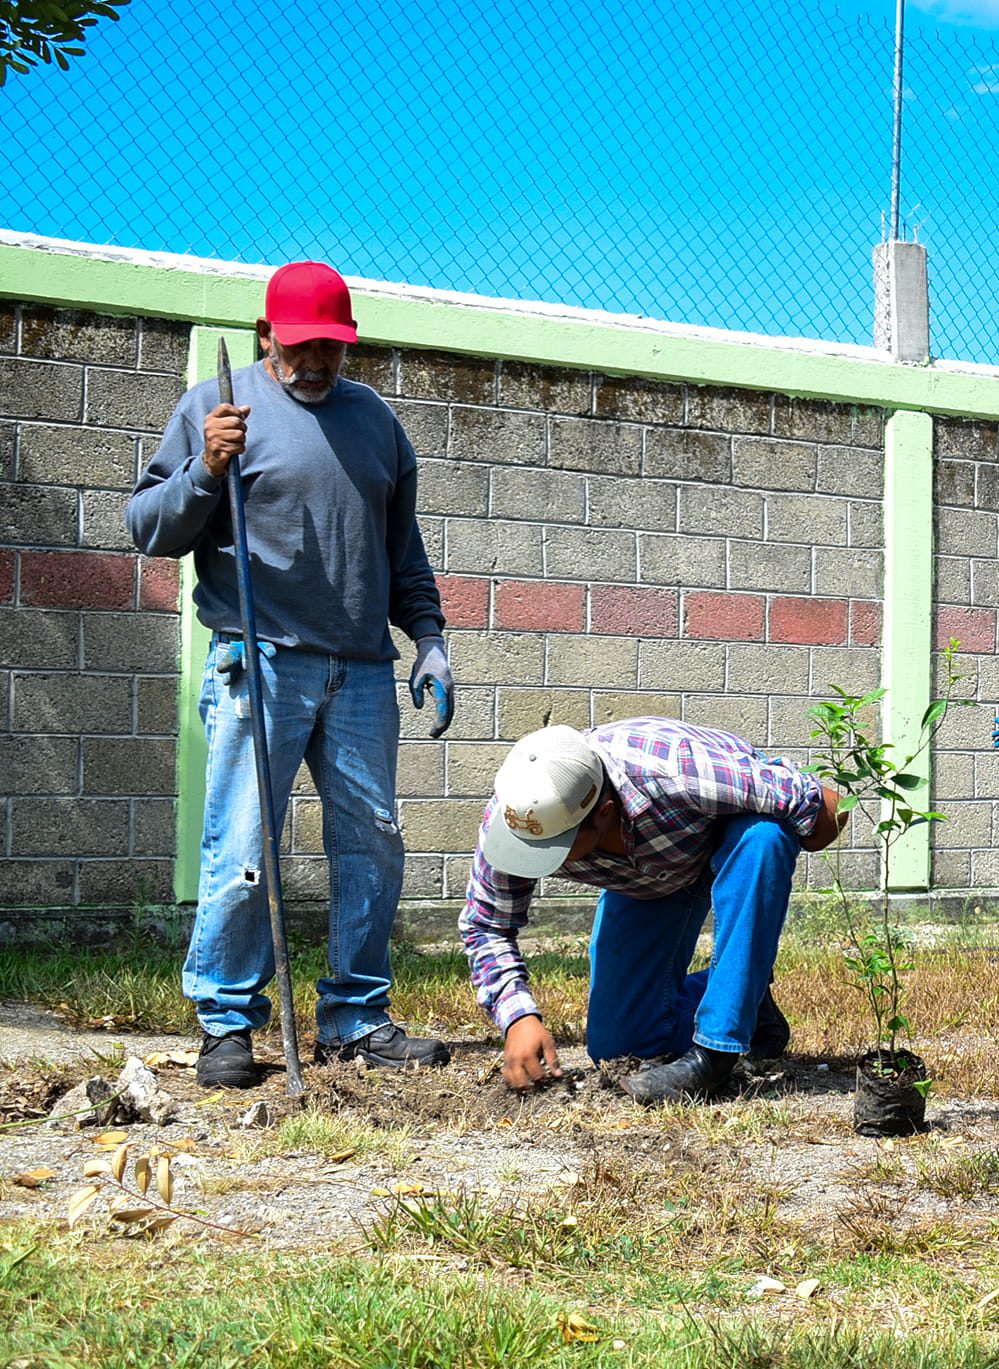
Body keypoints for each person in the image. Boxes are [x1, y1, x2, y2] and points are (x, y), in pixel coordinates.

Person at [127, 261, 454, 1087]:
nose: (317, 363)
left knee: (372, 845)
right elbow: (147, 528)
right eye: (302, 346)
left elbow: (401, 554)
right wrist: (205, 469)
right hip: (258, 656)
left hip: (361, 673)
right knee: (242, 846)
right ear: (267, 335)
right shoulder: (216, 405)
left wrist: (430, 638)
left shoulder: (376, 422)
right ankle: (228, 1024)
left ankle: (357, 1018)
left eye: (332, 350)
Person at [459, 720, 846, 1105]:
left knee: (765, 837)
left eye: (555, 848)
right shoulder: (519, 815)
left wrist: (758, 871)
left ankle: (716, 1054)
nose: (535, 859)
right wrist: (518, 1016)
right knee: (620, 1051)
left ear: (605, 813)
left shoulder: (682, 772)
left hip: (720, 836)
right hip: (650, 880)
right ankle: (747, 992)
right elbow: (485, 925)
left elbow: (830, 806)